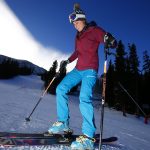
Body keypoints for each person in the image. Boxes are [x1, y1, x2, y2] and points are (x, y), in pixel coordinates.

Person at [48, 3, 117, 150]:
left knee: (84, 98)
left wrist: (110, 40)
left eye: (75, 22)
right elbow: (77, 53)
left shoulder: (94, 30)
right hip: (78, 69)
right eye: (73, 23)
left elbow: (107, 39)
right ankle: (63, 123)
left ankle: (88, 137)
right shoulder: (78, 36)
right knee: (61, 89)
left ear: (82, 19)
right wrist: (67, 60)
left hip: (90, 71)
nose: (74, 25)